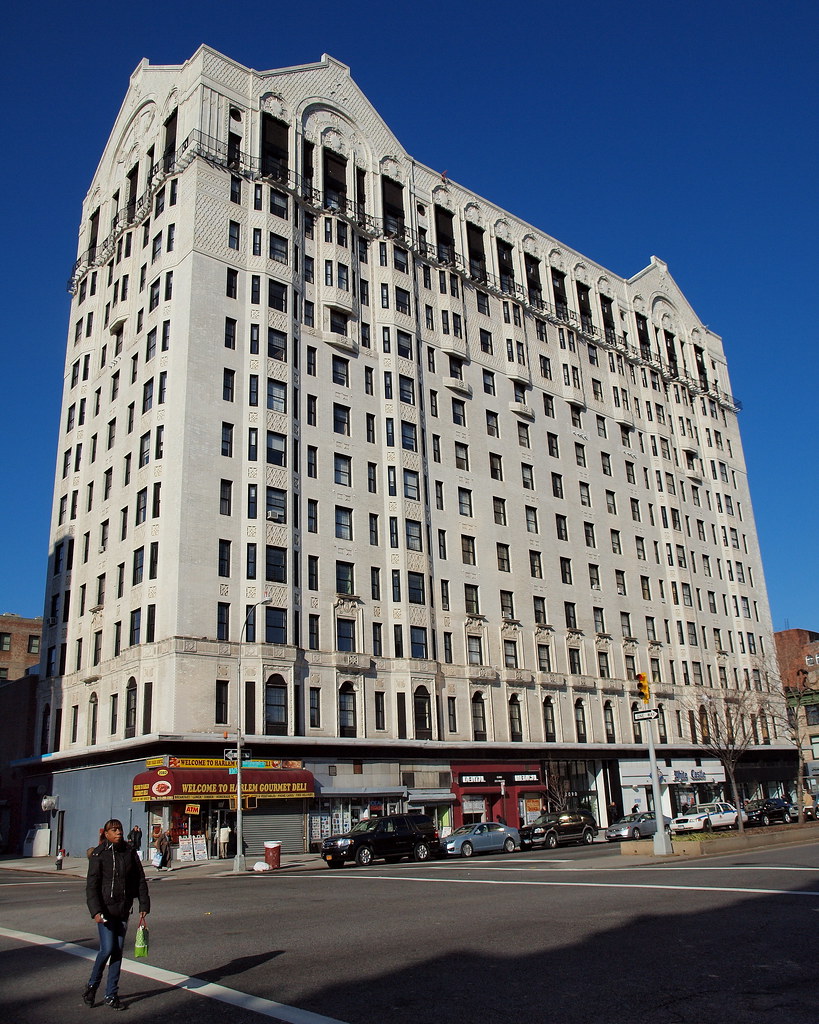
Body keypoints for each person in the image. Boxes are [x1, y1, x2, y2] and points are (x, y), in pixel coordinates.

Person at [83, 819, 150, 1010]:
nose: (118, 832)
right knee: (107, 948)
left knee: (117, 952)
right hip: (104, 910)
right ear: (106, 833)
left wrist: (143, 904)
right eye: (114, 830)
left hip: (122, 908)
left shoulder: (128, 852)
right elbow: (92, 886)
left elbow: (139, 879)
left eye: (119, 829)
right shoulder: (99, 854)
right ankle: (92, 985)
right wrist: (95, 911)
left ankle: (111, 994)